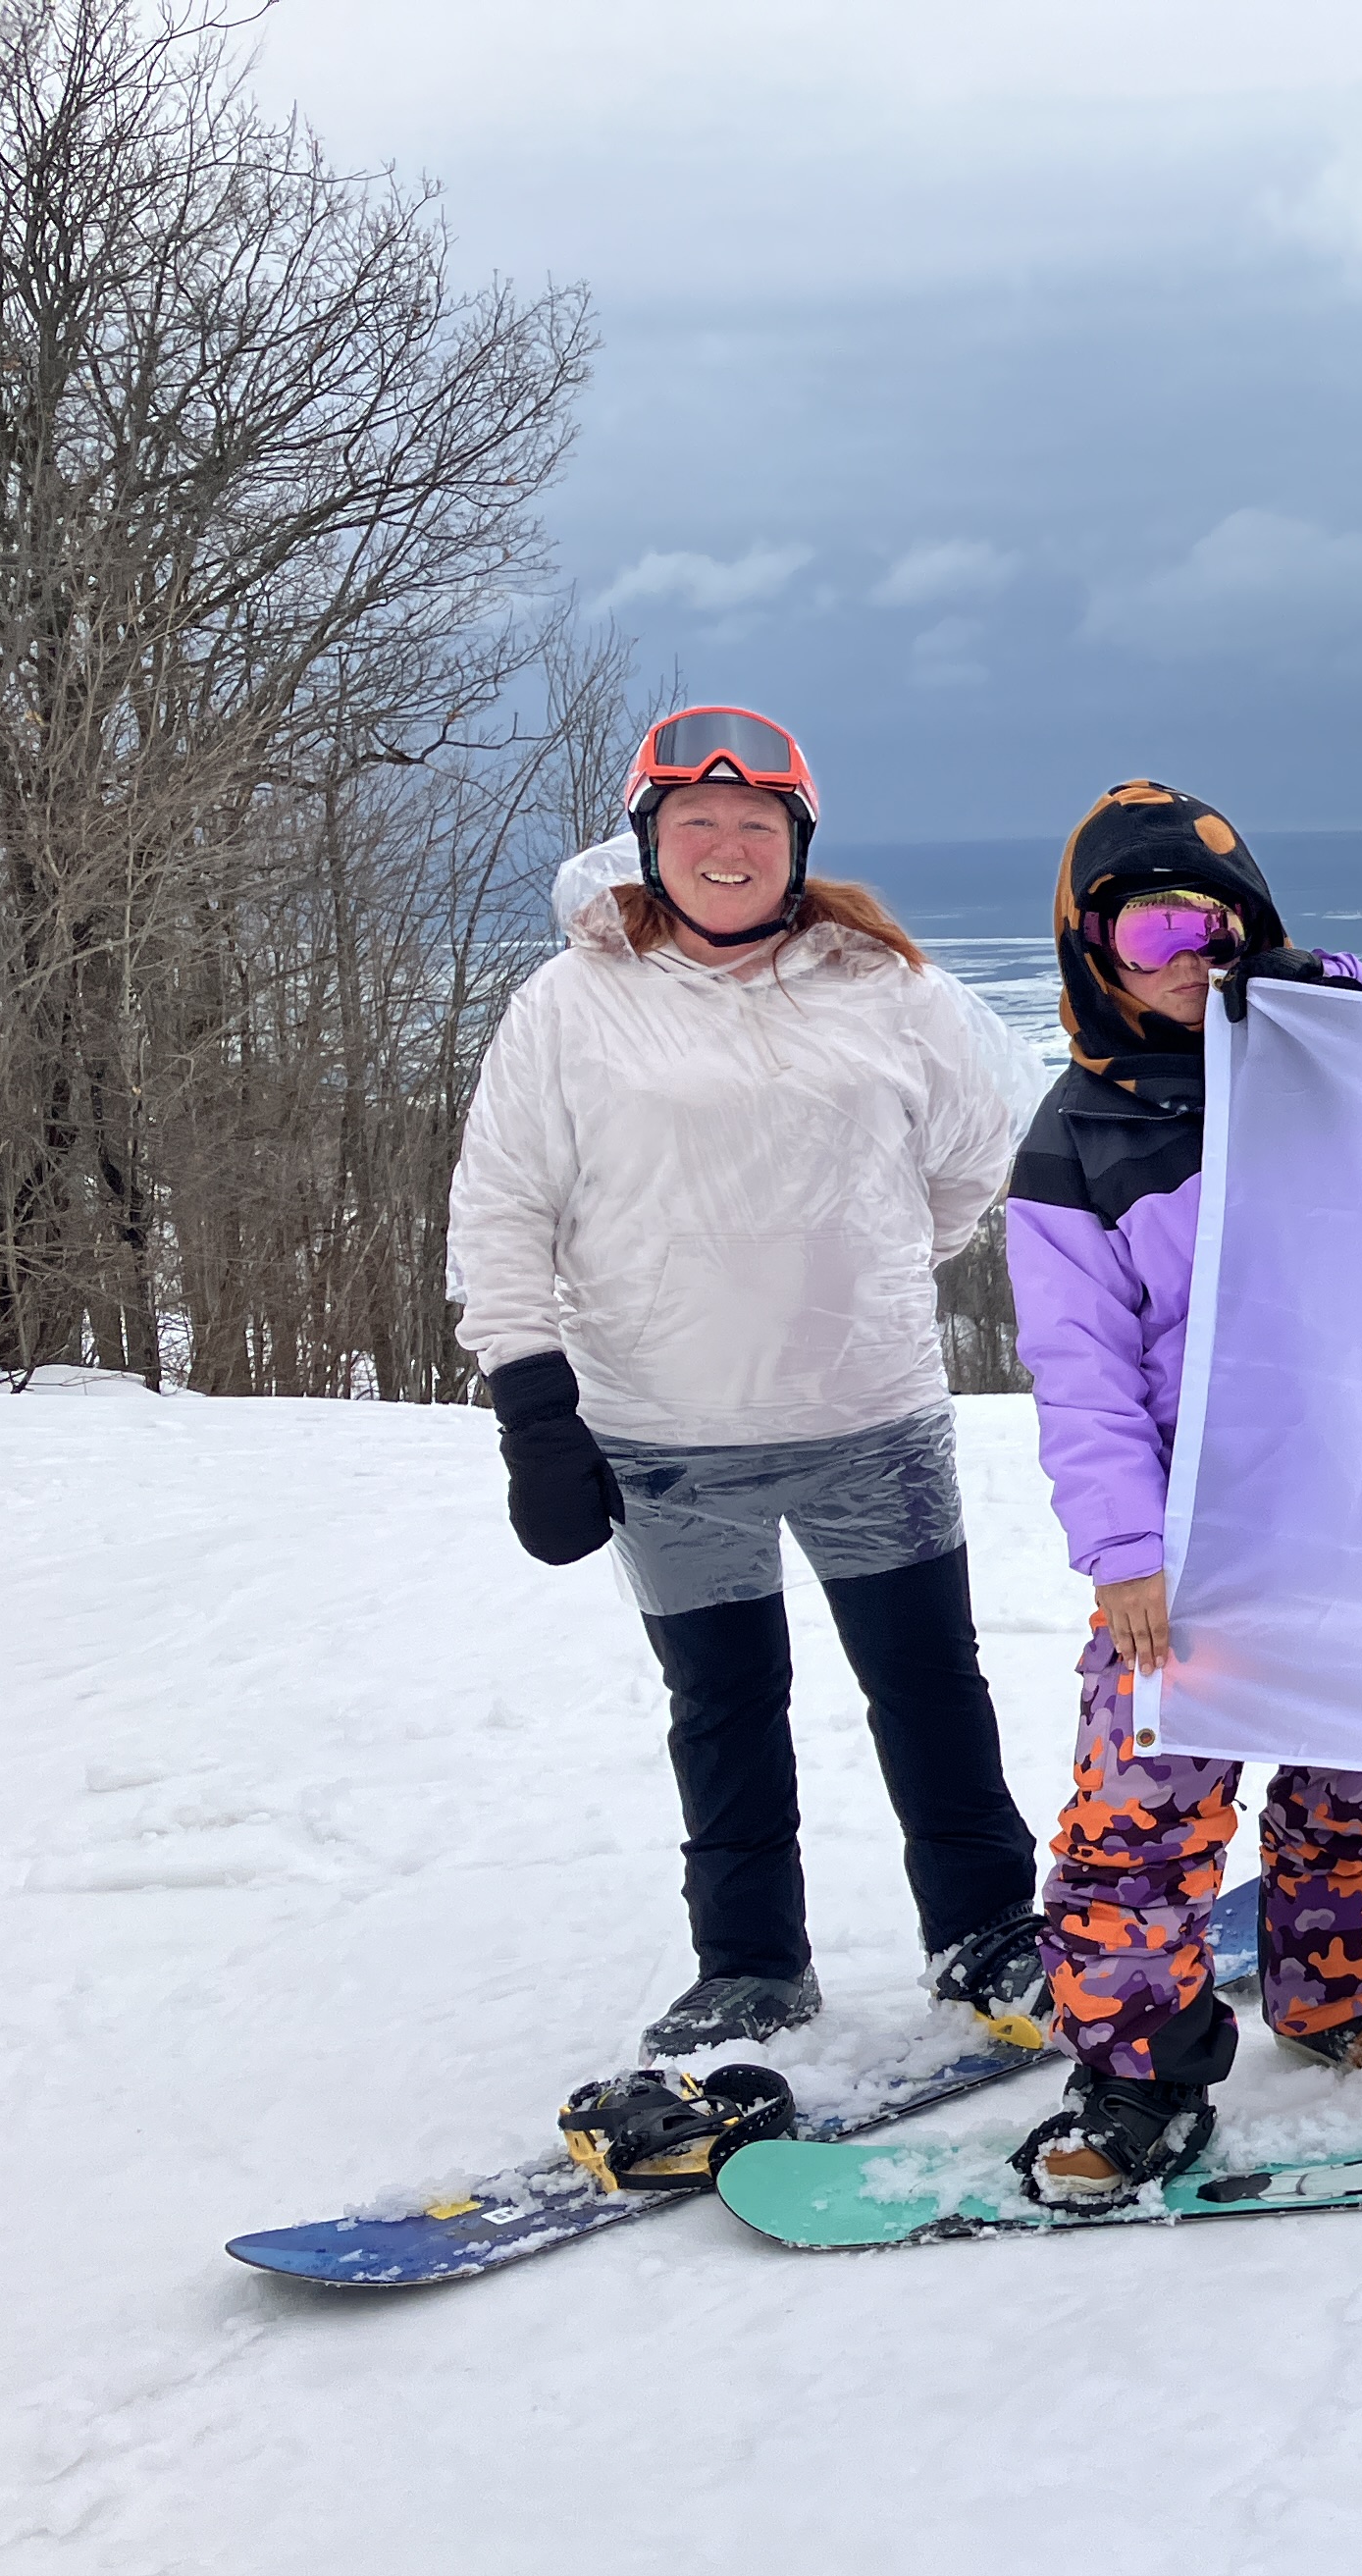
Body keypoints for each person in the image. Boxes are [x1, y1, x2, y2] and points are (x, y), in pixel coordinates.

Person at [448, 706, 1046, 2059]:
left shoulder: (891, 988)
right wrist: (533, 1404)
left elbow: (973, 1154)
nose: (728, 846)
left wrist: (886, 1261)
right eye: (697, 823)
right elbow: (501, 1207)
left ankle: (988, 1930)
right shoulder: (569, 1004)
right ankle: (751, 1967)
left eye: (757, 825)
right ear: (649, 841)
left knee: (932, 1688)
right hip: (667, 1433)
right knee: (722, 1707)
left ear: (799, 845)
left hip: (871, 1415)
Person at [998, 780, 1362, 2206]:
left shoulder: (1335, 1074)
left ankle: (1337, 1988)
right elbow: (1082, 1382)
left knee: (1360, 1781)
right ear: (1095, 952)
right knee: (1137, 1814)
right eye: (1155, 932)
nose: (1192, 956)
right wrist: (1125, 1552)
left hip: (1358, 1510)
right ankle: (1136, 2071)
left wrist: (1336, 992)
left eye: (1222, 927)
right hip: (1188, 1545)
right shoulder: (1074, 1142)